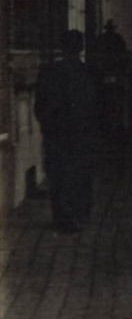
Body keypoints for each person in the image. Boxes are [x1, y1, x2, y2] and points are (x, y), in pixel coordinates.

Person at [34, 29, 100, 233]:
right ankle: (79, 215)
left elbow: (40, 106)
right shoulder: (88, 72)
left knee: (59, 174)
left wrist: (48, 126)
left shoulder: (49, 71)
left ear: (62, 48)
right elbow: (97, 105)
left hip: (58, 133)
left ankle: (63, 217)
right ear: (80, 48)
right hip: (81, 132)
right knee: (79, 174)